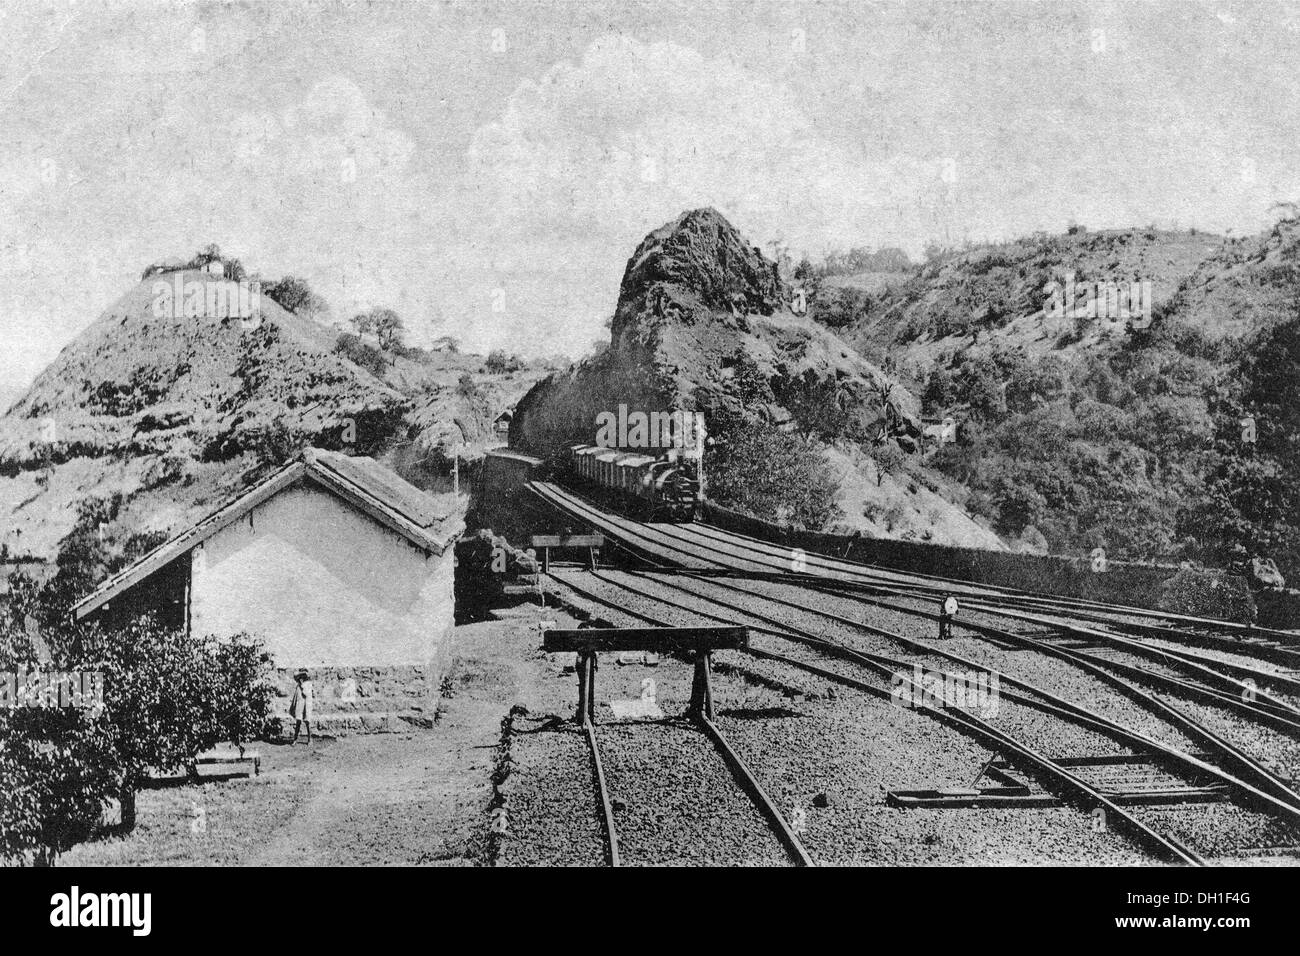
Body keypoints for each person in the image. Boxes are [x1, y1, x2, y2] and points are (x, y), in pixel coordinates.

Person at [289, 670, 313, 745]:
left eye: (300, 677)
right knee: (298, 721)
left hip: (306, 705)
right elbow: (296, 697)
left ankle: (310, 739)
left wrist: (302, 686)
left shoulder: (308, 685)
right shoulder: (298, 686)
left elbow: (306, 694)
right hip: (300, 705)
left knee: (307, 722)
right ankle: (295, 739)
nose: (299, 679)